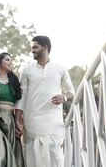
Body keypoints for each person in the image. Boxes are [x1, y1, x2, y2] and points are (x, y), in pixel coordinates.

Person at [15, 35, 74, 167]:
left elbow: (71, 92)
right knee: (32, 157)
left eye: (35, 47)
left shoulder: (60, 69)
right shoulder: (27, 70)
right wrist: (17, 119)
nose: (32, 50)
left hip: (53, 121)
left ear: (45, 47)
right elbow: (21, 97)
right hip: (32, 122)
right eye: (32, 48)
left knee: (54, 156)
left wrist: (63, 97)